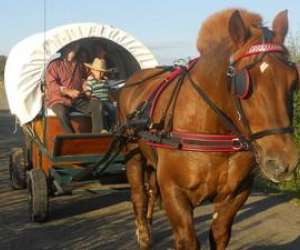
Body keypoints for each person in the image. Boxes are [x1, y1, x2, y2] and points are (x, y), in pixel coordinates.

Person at [45, 43, 104, 133]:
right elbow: (51, 85)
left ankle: (97, 136)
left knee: (97, 105)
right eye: (71, 45)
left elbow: (87, 77)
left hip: (78, 100)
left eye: (76, 45)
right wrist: (67, 91)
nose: (75, 47)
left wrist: (86, 85)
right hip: (59, 100)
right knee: (61, 112)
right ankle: (71, 138)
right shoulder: (54, 65)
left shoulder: (80, 64)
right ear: (64, 47)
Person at [83, 57, 116, 131]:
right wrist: (90, 96)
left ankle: (114, 126)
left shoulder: (105, 80)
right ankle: (103, 128)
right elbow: (88, 92)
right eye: (98, 71)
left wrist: (113, 101)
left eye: (102, 72)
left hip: (106, 101)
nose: (101, 74)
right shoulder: (90, 79)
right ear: (92, 70)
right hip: (97, 101)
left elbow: (108, 92)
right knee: (100, 110)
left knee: (113, 109)